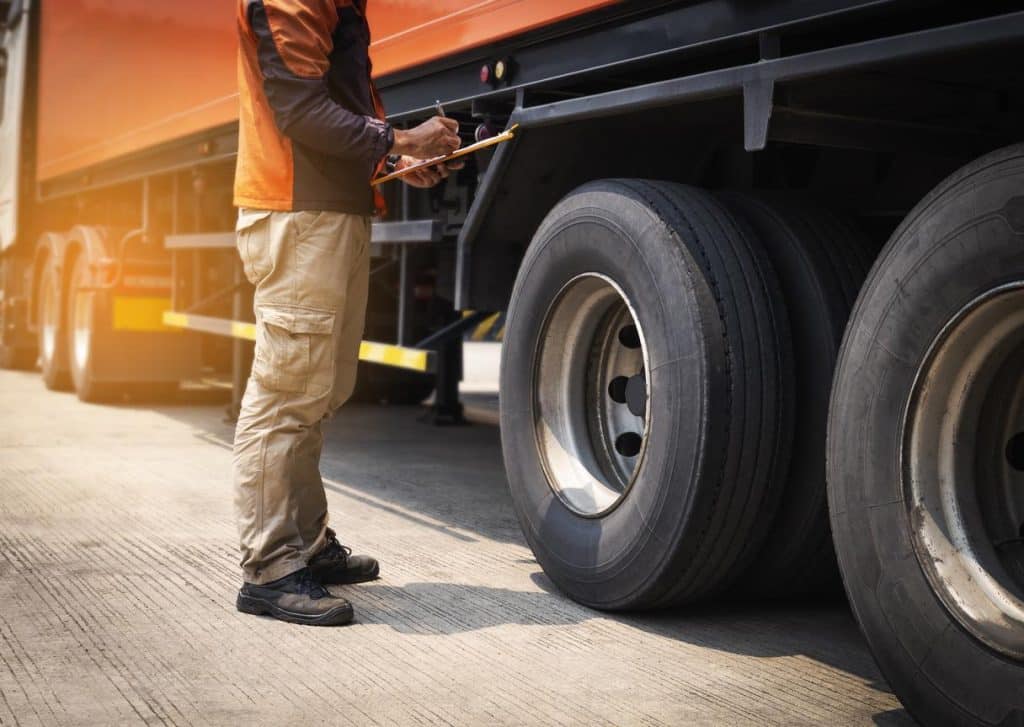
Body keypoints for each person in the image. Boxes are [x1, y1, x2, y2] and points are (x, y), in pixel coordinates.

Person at [231, 0, 461, 626]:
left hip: (330, 211)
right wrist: (400, 138)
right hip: (298, 213)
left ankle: (307, 544)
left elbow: (337, 103)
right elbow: (298, 108)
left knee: (319, 390)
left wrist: (394, 160)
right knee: (285, 395)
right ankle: (270, 569)